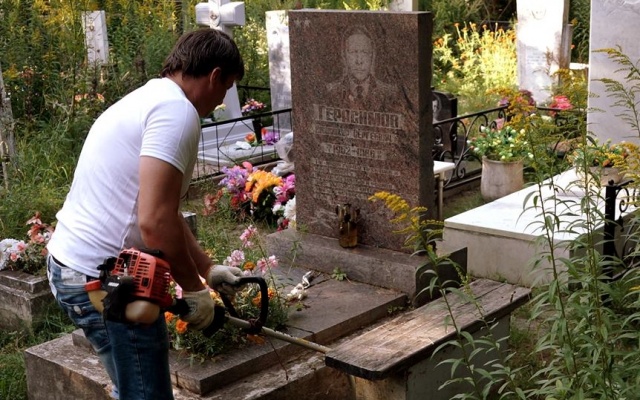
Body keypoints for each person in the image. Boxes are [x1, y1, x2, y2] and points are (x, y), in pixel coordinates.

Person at [46, 28, 245, 400]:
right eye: (227, 88)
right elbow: (154, 222)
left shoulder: (151, 97)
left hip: (71, 266)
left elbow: (163, 210)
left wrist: (206, 268)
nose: (222, 100)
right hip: (108, 280)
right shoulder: (177, 113)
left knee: (130, 389)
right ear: (215, 75)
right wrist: (193, 290)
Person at [326, 25, 400, 109]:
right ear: (344, 56)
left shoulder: (389, 94)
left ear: (372, 55)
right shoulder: (330, 92)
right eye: (353, 52)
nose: (359, 61)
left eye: (364, 52)